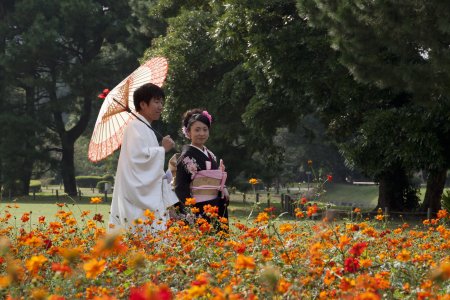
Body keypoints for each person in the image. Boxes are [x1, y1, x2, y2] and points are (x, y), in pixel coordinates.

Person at [109, 83, 178, 233]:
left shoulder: (144, 127)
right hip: (138, 202)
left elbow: (146, 158)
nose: (160, 106)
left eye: (161, 102)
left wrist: (159, 149)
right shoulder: (135, 127)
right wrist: (162, 149)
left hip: (147, 196)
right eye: (156, 101)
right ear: (143, 104)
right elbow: (139, 160)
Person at [174, 108, 229, 230]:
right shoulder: (186, 157)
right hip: (198, 209)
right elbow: (180, 187)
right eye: (197, 130)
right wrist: (192, 211)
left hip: (216, 206)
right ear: (188, 132)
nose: (201, 133)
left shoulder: (211, 155)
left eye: (205, 129)